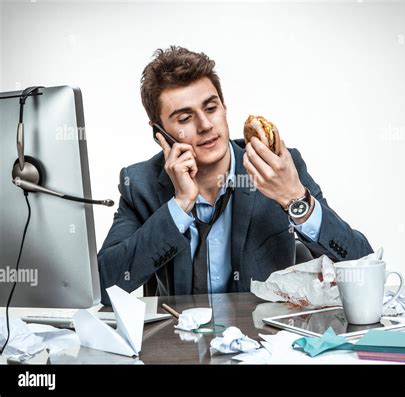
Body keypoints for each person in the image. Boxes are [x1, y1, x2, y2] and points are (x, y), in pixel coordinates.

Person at [97, 46, 372, 304]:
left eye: (211, 108)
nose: (205, 125)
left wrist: (294, 199)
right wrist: (178, 206)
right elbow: (103, 287)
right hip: (182, 346)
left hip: (264, 342)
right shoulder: (141, 184)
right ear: (160, 133)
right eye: (184, 119)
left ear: (224, 107)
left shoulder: (278, 167)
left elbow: (363, 265)